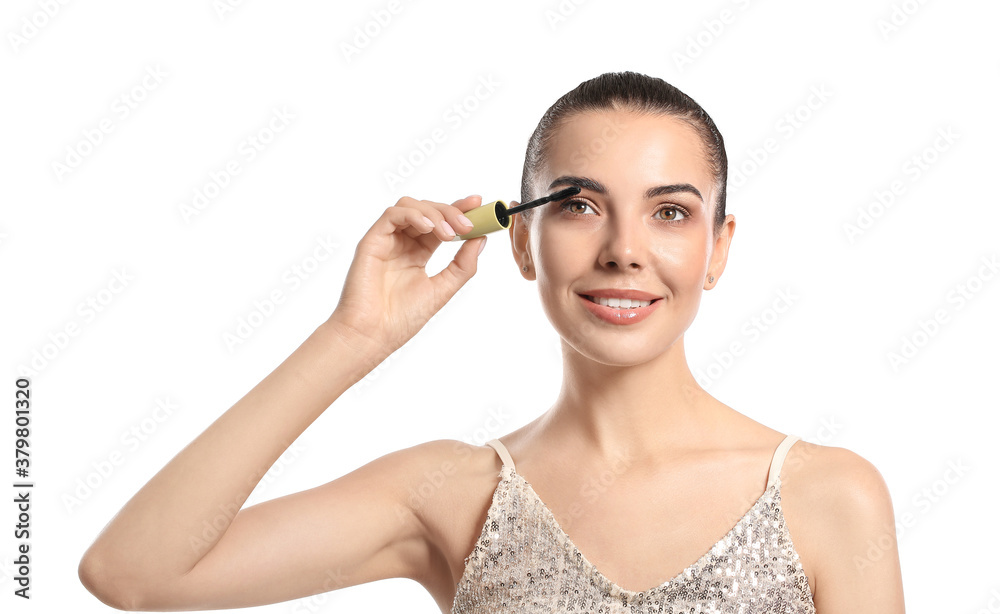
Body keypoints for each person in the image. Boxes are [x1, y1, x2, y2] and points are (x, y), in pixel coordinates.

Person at [78, 71, 905, 613]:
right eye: (579, 205)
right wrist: (352, 337)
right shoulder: (446, 492)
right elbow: (134, 572)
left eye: (670, 211)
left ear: (718, 248)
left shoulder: (825, 496)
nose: (623, 248)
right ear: (520, 243)